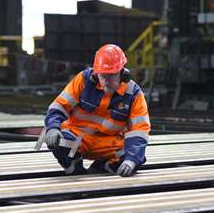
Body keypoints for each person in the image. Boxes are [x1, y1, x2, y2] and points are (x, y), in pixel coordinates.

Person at [41, 44, 150, 177]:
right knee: (58, 141)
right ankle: (75, 170)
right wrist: (53, 127)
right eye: (102, 76)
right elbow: (60, 105)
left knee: (135, 156)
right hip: (78, 140)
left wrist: (131, 160)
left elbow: (139, 130)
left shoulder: (133, 94)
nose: (105, 82)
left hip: (108, 144)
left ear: (123, 74)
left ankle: (103, 167)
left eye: (111, 76)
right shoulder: (83, 80)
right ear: (95, 73)